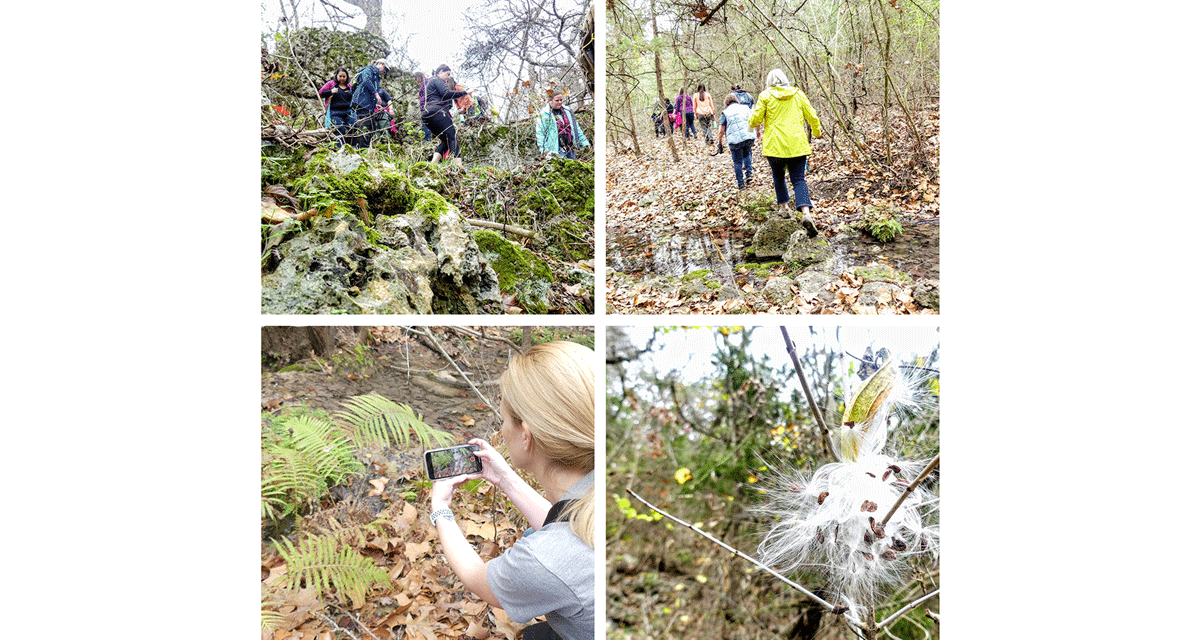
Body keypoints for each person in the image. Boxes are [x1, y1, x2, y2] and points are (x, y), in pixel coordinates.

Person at [429, 341, 595, 640]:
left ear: (526, 436)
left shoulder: (544, 558)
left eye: (503, 419)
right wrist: (505, 478)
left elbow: (483, 583)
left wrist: (440, 509)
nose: (502, 429)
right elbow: (569, 528)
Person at [748, 68, 821, 235]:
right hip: (797, 144)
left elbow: (755, 120)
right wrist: (816, 131)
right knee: (799, 179)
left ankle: (784, 208)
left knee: (778, 177)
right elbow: (812, 115)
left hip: (775, 146)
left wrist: (751, 119)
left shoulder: (765, 96)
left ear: (769, 82)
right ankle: (806, 213)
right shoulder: (798, 94)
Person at [422, 64, 471, 165]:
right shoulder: (437, 80)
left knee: (446, 140)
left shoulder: (431, 83)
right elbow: (446, 93)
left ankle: (433, 164)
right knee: (452, 137)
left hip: (427, 116)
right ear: (440, 72)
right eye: (447, 74)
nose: (448, 77)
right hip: (437, 112)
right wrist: (465, 92)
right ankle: (458, 166)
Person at [349, 58, 389, 148]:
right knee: (366, 125)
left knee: (370, 125)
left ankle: (360, 147)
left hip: (367, 104)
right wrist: (376, 94)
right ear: (379, 63)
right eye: (385, 68)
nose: (384, 71)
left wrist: (376, 105)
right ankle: (362, 149)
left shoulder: (377, 77)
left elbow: (370, 91)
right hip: (361, 102)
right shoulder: (369, 69)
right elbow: (366, 81)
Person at [535, 93, 590, 160]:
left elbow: (576, 128)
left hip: (569, 147)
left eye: (561, 100)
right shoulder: (544, 114)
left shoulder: (567, 111)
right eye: (557, 100)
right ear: (550, 100)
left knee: (573, 167)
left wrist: (584, 142)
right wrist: (544, 150)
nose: (560, 102)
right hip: (554, 149)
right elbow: (540, 134)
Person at [717, 94, 754, 189]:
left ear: (726, 103)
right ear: (736, 100)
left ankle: (741, 184)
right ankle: (749, 175)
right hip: (748, 137)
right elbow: (752, 120)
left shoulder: (725, 113)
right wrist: (752, 133)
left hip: (735, 140)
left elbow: (721, 131)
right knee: (747, 154)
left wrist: (720, 143)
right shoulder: (745, 108)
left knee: (737, 161)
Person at [318, 67, 354, 148]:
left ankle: (352, 147)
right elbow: (320, 93)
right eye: (340, 76)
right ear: (336, 76)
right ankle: (339, 148)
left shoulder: (349, 86)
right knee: (340, 129)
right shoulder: (331, 84)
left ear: (347, 77)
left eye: (344, 76)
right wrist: (331, 92)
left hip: (348, 112)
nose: (342, 78)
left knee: (354, 126)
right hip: (335, 112)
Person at [414, 72, 433, 141]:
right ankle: (428, 139)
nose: (416, 81)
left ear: (419, 77)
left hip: (427, 106)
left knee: (425, 122)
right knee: (425, 122)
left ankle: (428, 139)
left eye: (416, 79)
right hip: (423, 106)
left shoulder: (426, 82)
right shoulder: (423, 84)